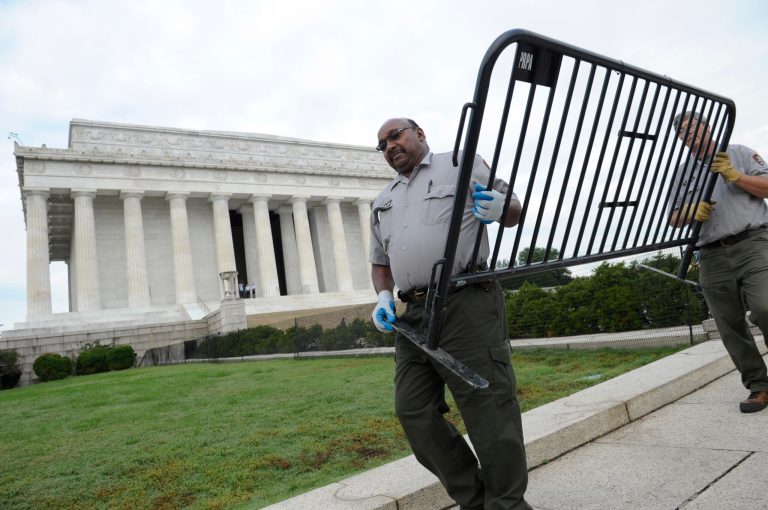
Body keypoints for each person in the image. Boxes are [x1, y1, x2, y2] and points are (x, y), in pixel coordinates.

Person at [369, 118, 531, 509]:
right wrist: (383, 297)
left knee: (488, 407)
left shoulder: (460, 163)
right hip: (413, 315)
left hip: (465, 297)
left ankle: (507, 504)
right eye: (382, 144)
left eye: (396, 135)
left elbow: (513, 209)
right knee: (413, 410)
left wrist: (499, 209)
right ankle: (475, 500)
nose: (390, 145)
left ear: (419, 134)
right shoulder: (382, 200)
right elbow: (379, 262)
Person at [669, 111, 768, 413]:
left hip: (752, 242)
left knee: (765, 307)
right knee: (729, 324)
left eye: (691, 127)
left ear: (707, 126)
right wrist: (688, 212)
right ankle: (759, 386)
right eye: (681, 132)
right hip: (710, 253)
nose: (687, 134)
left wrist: (736, 177)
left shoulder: (738, 153)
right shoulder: (682, 172)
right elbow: (673, 218)